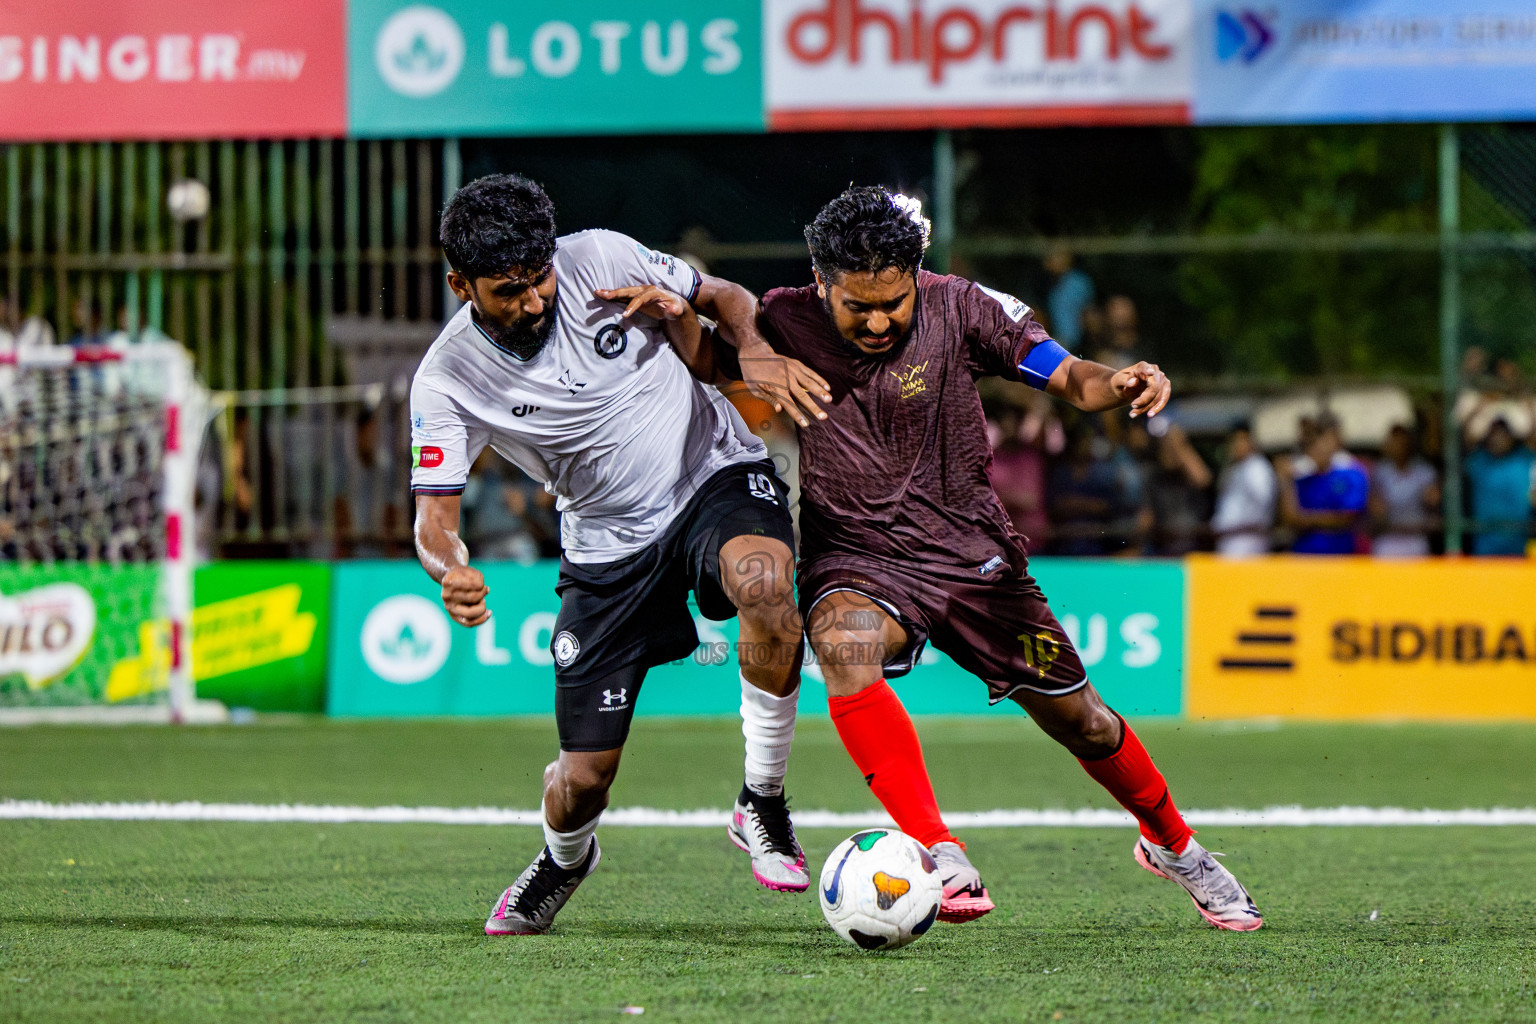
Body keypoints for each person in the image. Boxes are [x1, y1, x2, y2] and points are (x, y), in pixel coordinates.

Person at [716, 187, 1261, 930]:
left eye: (893, 302)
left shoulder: (965, 306)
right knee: (842, 640)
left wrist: (1121, 380)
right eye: (857, 306)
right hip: (858, 557)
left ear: (917, 276)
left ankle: (1174, 845)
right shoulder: (782, 317)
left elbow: (1069, 376)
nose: (878, 321)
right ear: (820, 284)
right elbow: (706, 330)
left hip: (974, 559)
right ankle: (939, 849)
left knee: (1089, 724)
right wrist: (734, 341)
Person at [409, 174, 812, 936]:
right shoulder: (446, 378)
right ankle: (566, 858)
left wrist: (752, 350)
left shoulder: (597, 257)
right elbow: (434, 519)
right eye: (507, 292)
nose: (532, 302)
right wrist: (448, 568)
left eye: (539, 281)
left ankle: (762, 798)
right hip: (604, 542)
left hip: (711, 472)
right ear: (459, 282)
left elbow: (722, 296)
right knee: (583, 781)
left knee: (766, 585)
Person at [1278, 415, 1368, 555]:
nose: (1317, 447)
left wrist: (1307, 520)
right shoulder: (1302, 477)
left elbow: (1346, 518)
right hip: (1305, 555)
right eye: (1311, 443)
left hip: (1340, 556)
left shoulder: (1350, 473)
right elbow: (1291, 519)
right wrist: (1286, 481)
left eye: (1322, 440)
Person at [1464, 417, 1536, 557]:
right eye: (1493, 433)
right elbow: (1465, 438)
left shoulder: (1525, 460)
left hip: (1519, 546)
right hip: (1485, 547)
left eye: (1503, 433)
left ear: (1512, 437)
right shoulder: (1478, 462)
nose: (1497, 438)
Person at [1370, 424, 1440, 558]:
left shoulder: (1424, 471)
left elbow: (1433, 501)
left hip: (1415, 538)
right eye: (1394, 441)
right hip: (1389, 538)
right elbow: (1376, 506)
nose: (1397, 446)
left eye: (1401, 441)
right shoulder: (1381, 471)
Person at [1210, 422, 1276, 557]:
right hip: (1229, 543)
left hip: (1249, 544)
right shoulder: (1234, 467)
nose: (1236, 445)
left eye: (1241, 440)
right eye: (1233, 441)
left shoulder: (1258, 467)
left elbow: (1263, 507)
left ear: (1250, 441)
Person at [1043, 243, 1093, 353]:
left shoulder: (1078, 283)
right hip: (1054, 342)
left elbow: (1088, 314)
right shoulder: (1046, 283)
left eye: (1056, 256)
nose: (1049, 261)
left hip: (1076, 344)